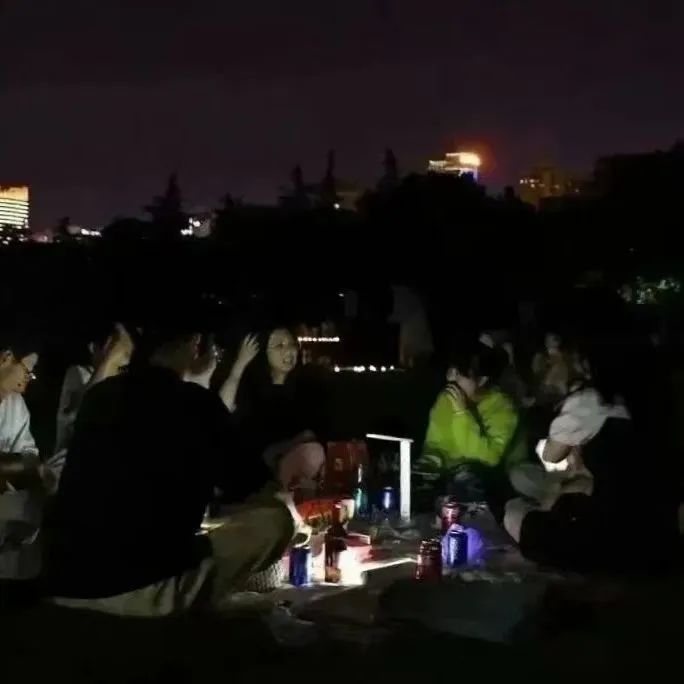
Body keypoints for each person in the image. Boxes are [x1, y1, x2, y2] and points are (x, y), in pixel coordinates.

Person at [43, 318, 294, 617]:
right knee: (277, 520)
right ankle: (189, 601)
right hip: (140, 584)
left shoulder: (100, 396)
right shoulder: (197, 403)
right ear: (195, 343)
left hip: (66, 579)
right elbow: (251, 484)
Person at [504, 351, 680, 572]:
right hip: (627, 521)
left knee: (514, 512)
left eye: (553, 360)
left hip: (614, 539)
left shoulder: (588, 404)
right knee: (522, 480)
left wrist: (561, 493)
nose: (548, 366)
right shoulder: (631, 412)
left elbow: (560, 463)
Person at [416, 340, 526, 510]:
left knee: (467, 478)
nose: (450, 378)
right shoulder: (446, 398)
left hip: (488, 477)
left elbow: (489, 458)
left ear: (481, 380)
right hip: (447, 471)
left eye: (459, 374)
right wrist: (429, 462)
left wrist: (462, 414)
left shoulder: (503, 408)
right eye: (451, 371)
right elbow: (435, 443)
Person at [219, 327, 326, 496]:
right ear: (264, 353)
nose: (289, 351)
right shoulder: (252, 390)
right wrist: (240, 364)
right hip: (255, 478)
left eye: (292, 344)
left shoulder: (306, 387)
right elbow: (221, 409)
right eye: (279, 346)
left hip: (295, 475)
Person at [0, 337, 45, 581]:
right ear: (6, 358)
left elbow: (30, 459)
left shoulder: (16, 407)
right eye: (27, 373)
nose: (24, 386)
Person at [54, 323, 134, 455]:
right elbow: (75, 415)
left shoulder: (122, 381)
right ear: (93, 348)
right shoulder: (78, 373)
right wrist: (108, 361)